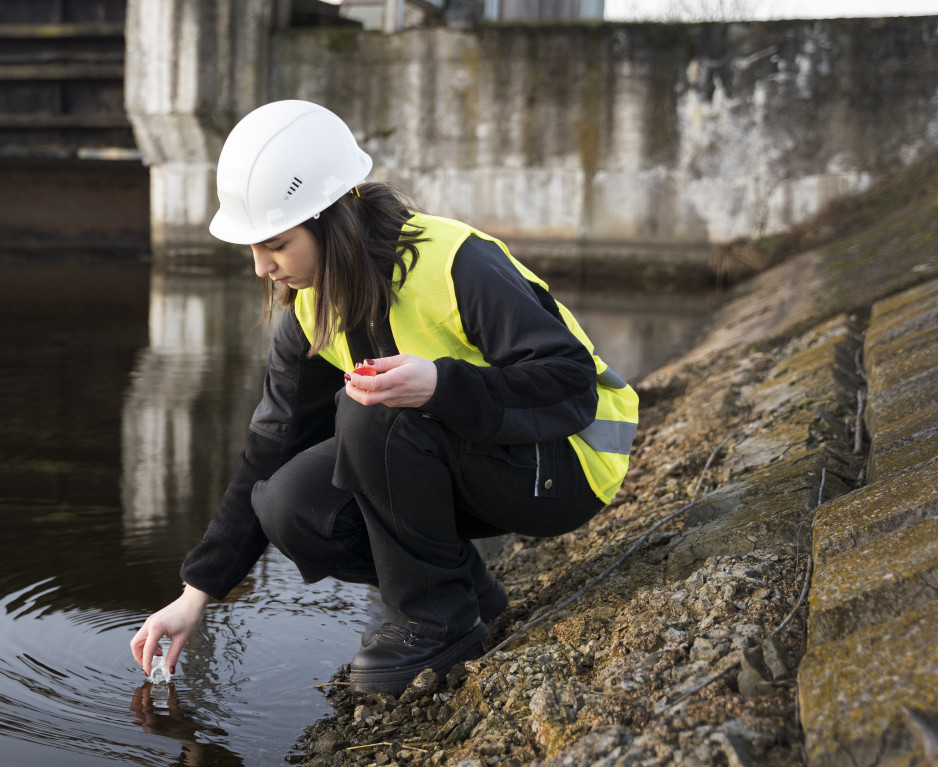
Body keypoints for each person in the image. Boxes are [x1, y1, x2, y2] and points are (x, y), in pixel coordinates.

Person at [130, 100, 639, 695]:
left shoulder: (455, 262)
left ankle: (435, 624)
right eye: (253, 247)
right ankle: (466, 596)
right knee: (288, 504)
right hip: (484, 458)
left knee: (370, 413)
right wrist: (197, 594)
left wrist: (443, 386)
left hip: (566, 464)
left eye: (276, 243)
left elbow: (570, 383)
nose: (263, 267)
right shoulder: (311, 309)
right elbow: (266, 453)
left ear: (331, 218)